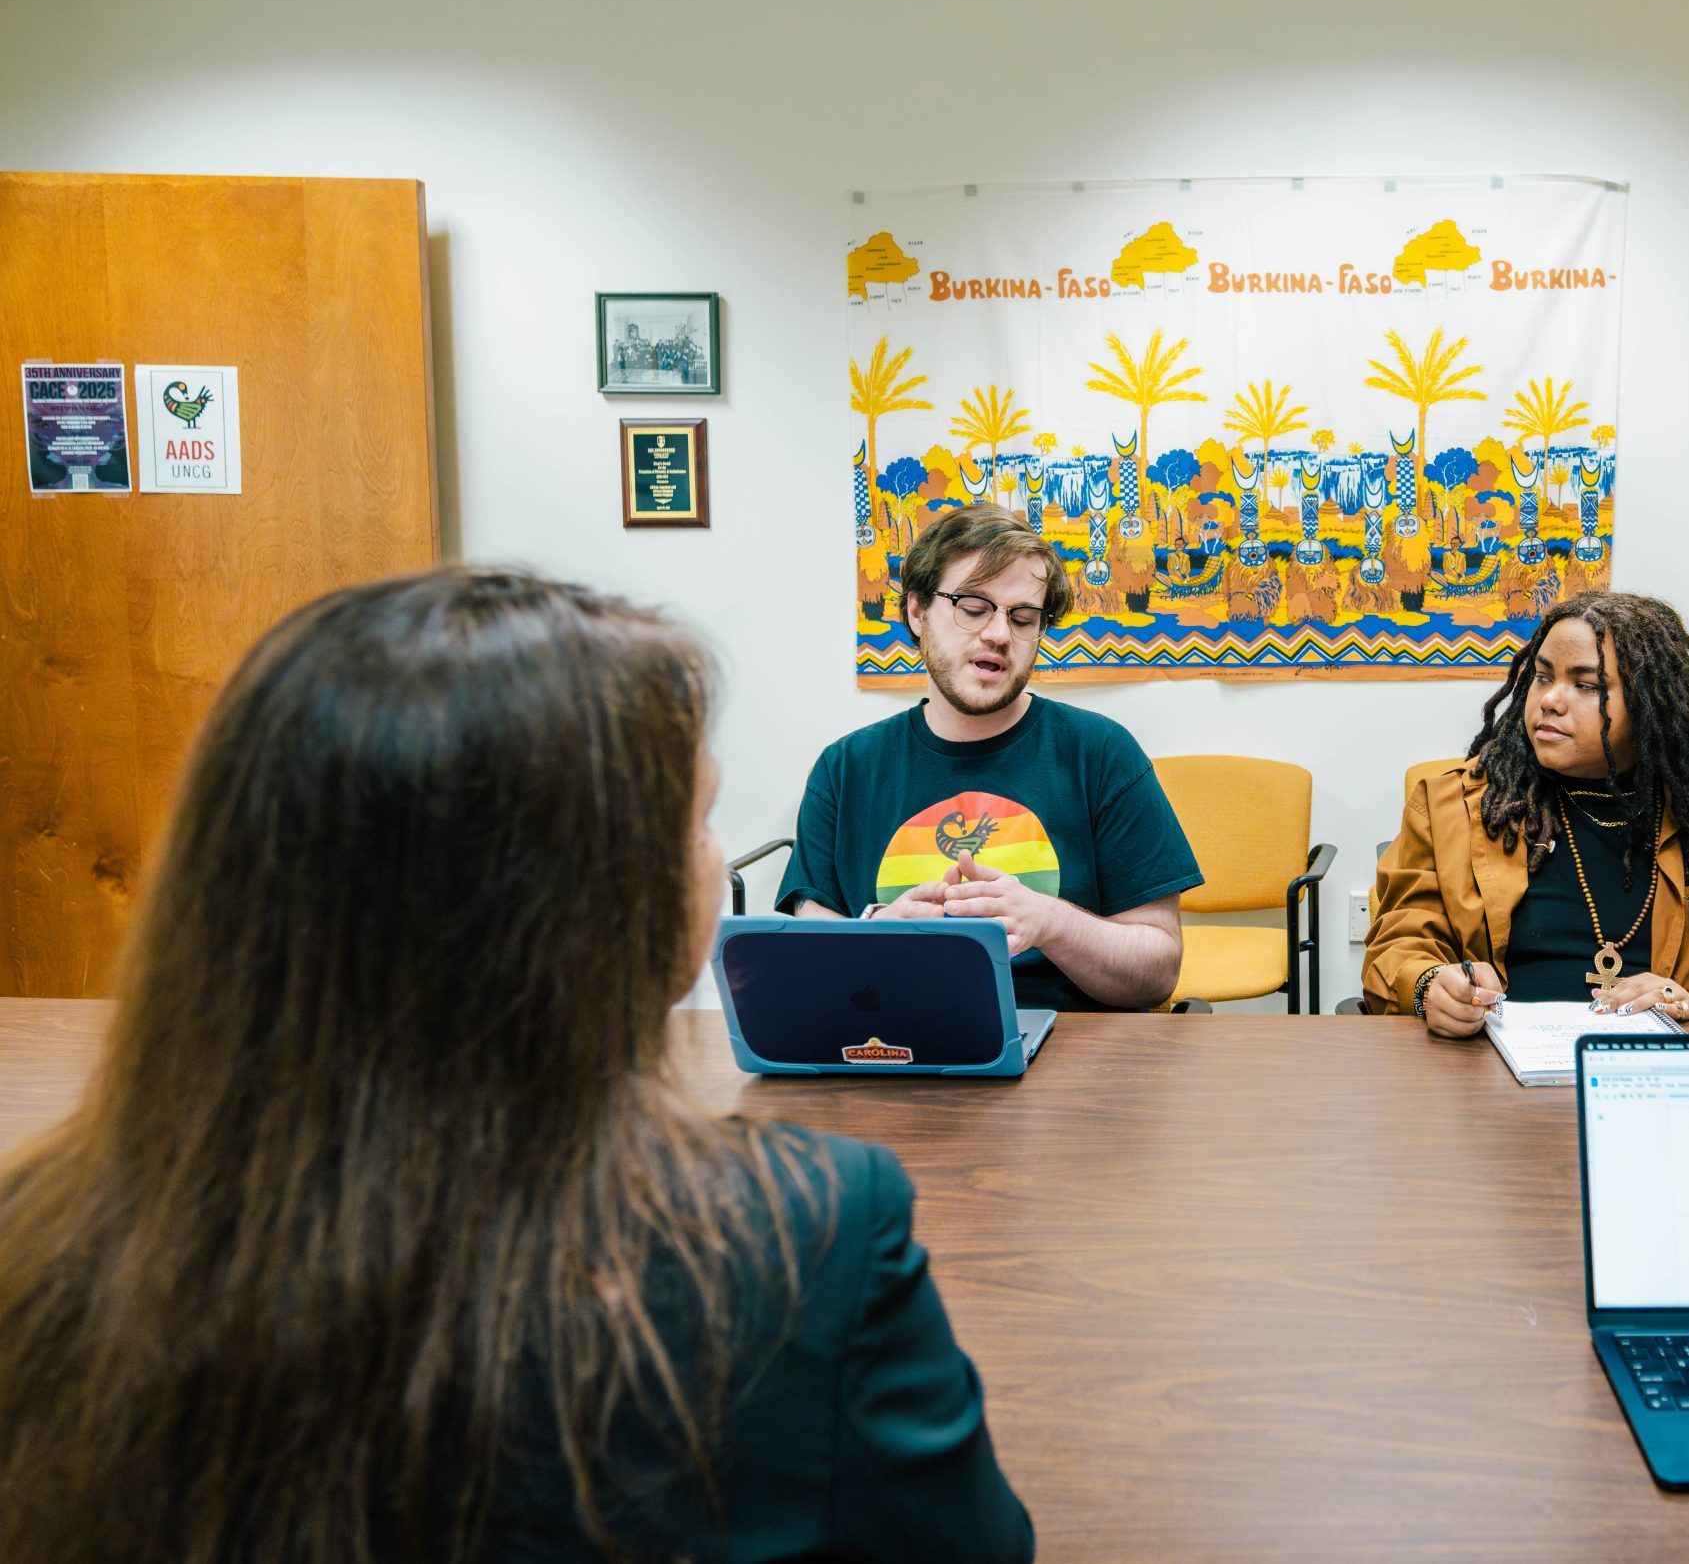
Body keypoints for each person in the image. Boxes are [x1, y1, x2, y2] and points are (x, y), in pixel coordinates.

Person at [0, 570, 1034, 1564]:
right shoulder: (801, 1244)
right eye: (700, 818)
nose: (715, 857)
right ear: (581, 896)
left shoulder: (35, 1238)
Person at [778, 503, 1201, 1012]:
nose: (1000, 633)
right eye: (973, 608)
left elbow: (1157, 970)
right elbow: (804, 951)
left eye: (1023, 617)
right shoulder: (845, 768)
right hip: (888, 1049)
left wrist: (1050, 922)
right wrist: (875, 938)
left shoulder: (1101, 753)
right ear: (916, 611)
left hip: (1069, 1056)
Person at [1364, 591, 1689, 1032]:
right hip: (1488, 1068)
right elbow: (1396, 949)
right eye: (1541, 677)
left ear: (1648, 703)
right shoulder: (1451, 808)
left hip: (1662, 1076)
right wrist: (1429, 987)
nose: (1550, 700)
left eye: (1587, 685)